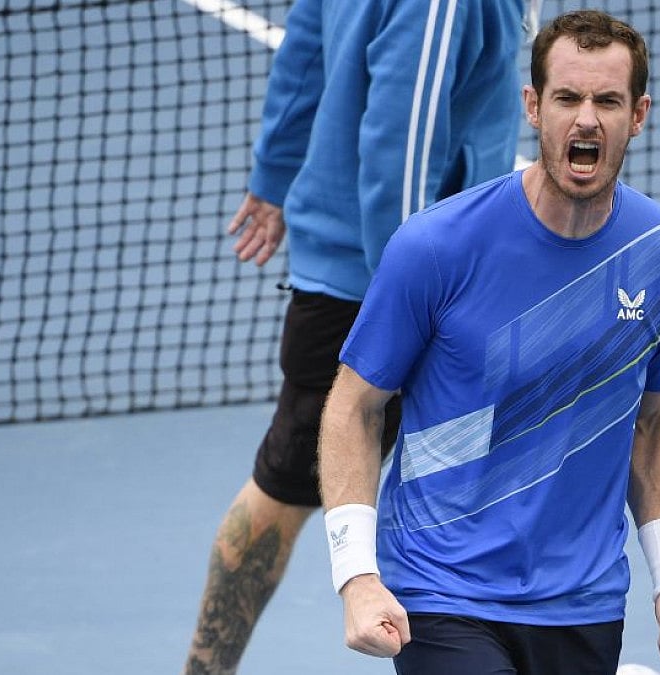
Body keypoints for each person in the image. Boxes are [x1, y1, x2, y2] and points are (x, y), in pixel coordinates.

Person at [317, 9, 660, 674]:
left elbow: (656, 421)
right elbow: (352, 408)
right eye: (567, 98)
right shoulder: (435, 247)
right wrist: (357, 576)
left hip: (583, 599)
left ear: (638, 115)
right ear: (533, 106)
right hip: (444, 585)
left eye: (607, 100)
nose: (586, 119)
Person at [182, 1, 529, 672]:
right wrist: (413, 311)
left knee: (287, 484)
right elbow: (398, 152)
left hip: (357, 265)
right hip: (408, 281)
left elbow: (306, 42)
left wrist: (275, 170)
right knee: (481, 500)